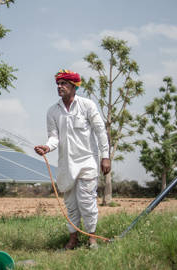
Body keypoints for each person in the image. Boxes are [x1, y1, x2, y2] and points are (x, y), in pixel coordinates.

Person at [34, 69, 111, 250]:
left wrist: (105, 156)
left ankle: (92, 239)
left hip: (87, 162)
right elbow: (54, 137)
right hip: (66, 164)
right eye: (58, 84)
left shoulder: (87, 106)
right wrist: (47, 147)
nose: (60, 87)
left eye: (64, 84)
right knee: (70, 204)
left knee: (87, 202)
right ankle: (73, 239)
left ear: (74, 86)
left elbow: (100, 131)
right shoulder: (53, 111)